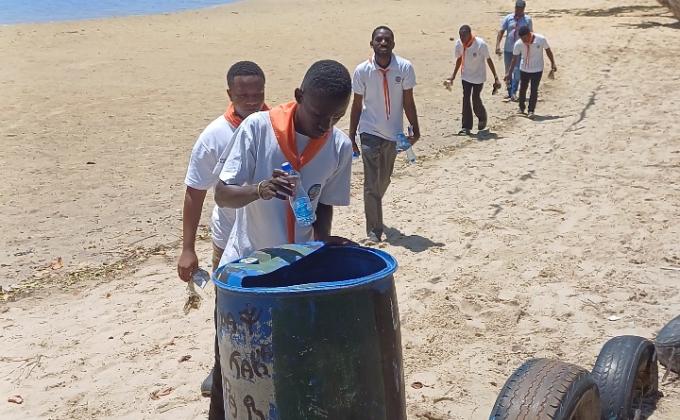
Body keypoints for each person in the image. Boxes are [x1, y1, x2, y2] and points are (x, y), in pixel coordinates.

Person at [210, 59, 354, 419]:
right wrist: (260, 189)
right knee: (234, 371)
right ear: (299, 96)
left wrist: (322, 243)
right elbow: (223, 194)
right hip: (247, 273)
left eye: (336, 117)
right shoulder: (259, 128)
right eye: (319, 114)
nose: (325, 125)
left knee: (290, 367)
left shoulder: (338, 146)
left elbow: (323, 205)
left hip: (295, 277)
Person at [176, 61, 267, 397]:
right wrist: (188, 248)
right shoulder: (214, 136)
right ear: (230, 94)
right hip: (227, 241)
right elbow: (194, 192)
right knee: (226, 310)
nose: (252, 100)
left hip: (269, 239)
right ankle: (221, 367)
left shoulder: (277, 125)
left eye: (258, 93)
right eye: (243, 94)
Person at [349, 26, 421, 244]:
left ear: (393, 44)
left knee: (384, 180)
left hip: (394, 134)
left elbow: (408, 101)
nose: (383, 43)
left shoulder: (404, 67)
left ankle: (374, 206)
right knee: (371, 183)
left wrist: (415, 128)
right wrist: (351, 136)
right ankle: (374, 230)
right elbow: (356, 104)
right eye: (379, 40)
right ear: (371, 43)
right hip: (369, 131)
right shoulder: (362, 70)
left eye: (387, 40)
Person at [444, 25, 501, 136]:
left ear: (470, 34)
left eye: (464, 36)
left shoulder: (480, 44)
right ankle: (466, 126)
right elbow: (459, 59)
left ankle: (482, 117)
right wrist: (453, 76)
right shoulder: (459, 44)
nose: (462, 39)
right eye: (460, 36)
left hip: (478, 76)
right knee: (466, 98)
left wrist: (496, 77)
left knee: (475, 98)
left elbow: (489, 60)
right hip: (466, 75)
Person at [505, 26, 557, 118]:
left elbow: (548, 51)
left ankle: (531, 110)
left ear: (529, 34)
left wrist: (553, 63)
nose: (524, 41)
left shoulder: (540, 39)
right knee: (523, 89)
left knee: (534, 90)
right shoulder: (518, 44)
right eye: (522, 39)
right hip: (524, 69)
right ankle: (521, 108)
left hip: (537, 69)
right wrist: (509, 73)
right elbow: (514, 59)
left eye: (525, 38)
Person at [496, 0, 533, 101]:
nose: (518, 10)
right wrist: (498, 45)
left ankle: (514, 92)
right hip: (508, 49)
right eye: (516, 8)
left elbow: (530, 34)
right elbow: (501, 31)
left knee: (517, 71)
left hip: (521, 50)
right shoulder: (508, 18)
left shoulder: (527, 20)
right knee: (508, 71)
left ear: (523, 9)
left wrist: (529, 48)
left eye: (520, 9)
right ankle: (509, 92)